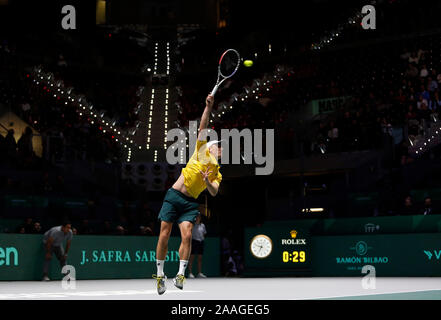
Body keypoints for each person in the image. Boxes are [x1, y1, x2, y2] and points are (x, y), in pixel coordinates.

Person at [153, 94, 222, 295]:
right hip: (174, 196)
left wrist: (208, 181)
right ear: (210, 148)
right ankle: (159, 275)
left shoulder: (217, 172)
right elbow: (203, 126)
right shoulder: (201, 152)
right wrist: (208, 107)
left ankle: (181, 274)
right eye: (218, 146)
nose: (221, 149)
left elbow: (214, 192)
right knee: (164, 234)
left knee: (188, 235)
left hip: (190, 202)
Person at [188, 213, 207, 278]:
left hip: (201, 242)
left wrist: (202, 240)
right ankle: (190, 273)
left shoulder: (203, 225)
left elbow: (204, 234)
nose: (198, 217)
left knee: (200, 258)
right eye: (197, 216)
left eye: (199, 216)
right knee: (191, 258)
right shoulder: (192, 225)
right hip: (194, 242)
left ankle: (199, 273)